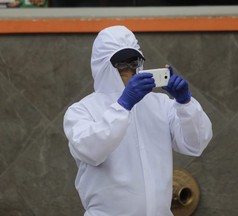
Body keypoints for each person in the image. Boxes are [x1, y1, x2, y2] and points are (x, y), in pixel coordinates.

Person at [63, 25, 213, 216]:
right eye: (122, 64)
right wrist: (124, 105)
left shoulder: (160, 104)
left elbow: (195, 144)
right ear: (104, 66)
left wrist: (185, 103)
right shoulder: (82, 111)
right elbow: (92, 150)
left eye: (135, 62)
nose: (131, 70)